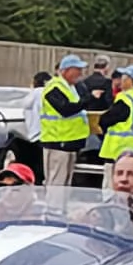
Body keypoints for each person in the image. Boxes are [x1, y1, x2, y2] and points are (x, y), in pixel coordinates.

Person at [38, 55, 94, 187]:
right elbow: (65, 109)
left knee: (66, 183)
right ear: (65, 70)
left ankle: (61, 207)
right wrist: (87, 100)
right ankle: (53, 207)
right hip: (57, 141)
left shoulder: (74, 87)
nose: (80, 73)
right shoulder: (53, 88)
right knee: (56, 182)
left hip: (70, 142)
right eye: (77, 69)